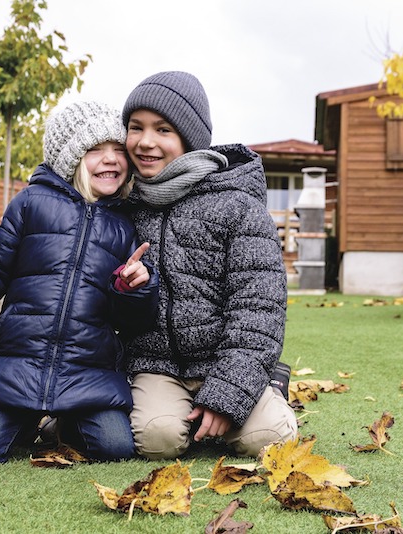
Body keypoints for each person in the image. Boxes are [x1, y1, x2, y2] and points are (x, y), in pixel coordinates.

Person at [0, 100, 159, 463]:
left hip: (88, 370)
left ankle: (61, 423)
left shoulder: (126, 223)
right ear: (70, 157)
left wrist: (132, 289)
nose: (111, 159)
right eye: (95, 149)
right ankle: (25, 416)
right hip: (17, 364)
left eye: (118, 150)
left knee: (115, 447)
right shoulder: (32, 203)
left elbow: (132, 318)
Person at [120, 71, 298, 459]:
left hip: (224, 357)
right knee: (157, 439)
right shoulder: (122, 202)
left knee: (267, 438)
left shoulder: (237, 206)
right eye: (136, 128)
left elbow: (258, 309)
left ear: (189, 139)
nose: (146, 142)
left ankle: (268, 384)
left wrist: (228, 393)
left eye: (163, 129)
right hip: (156, 365)